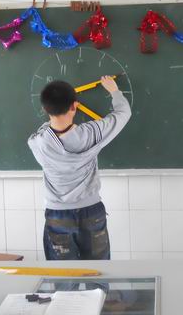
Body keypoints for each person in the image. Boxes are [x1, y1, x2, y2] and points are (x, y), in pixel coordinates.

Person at [28, 76, 131, 260]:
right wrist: (114, 91)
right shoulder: (91, 133)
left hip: (57, 214)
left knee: (63, 274)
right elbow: (123, 113)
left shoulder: (38, 142)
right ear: (74, 106)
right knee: (98, 271)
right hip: (91, 211)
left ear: (45, 109)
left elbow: (45, 129)